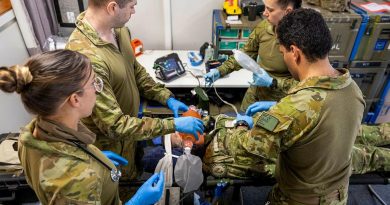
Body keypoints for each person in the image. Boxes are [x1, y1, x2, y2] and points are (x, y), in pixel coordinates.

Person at [206, 8, 365, 204]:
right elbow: (317, 121)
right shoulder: (352, 89)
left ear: (294, 53)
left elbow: (248, 149)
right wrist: (277, 105)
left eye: (282, 52)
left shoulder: (294, 108)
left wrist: (242, 125)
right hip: (337, 196)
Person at [65, 0, 204, 190]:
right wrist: (173, 125)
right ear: (112, 7)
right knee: (119, 189)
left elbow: (135, 70)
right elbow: (113, 125)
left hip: (130, 132)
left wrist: (165, 97)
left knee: (134, 172)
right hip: (109, 144)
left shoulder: (119, 30)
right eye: (131, 6)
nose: (134, 11)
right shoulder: (86, 57)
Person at [0, 49, 164, 205]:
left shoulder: (29, 134)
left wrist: (93, 157)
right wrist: (138, 202)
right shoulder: (78, 179)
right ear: (75, 99)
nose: (97, 90)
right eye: (94, 83)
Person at [204, 0, 301, 111]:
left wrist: (272, 82)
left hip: (281, 100)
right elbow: (245, 54)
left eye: (270, 9)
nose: (264, 13)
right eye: (265, 8)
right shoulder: (264, 27)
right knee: (242, 122)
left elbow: (307, 85)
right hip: (256, 90)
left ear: (287, 11)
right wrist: (220, 70)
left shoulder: (302, 40)